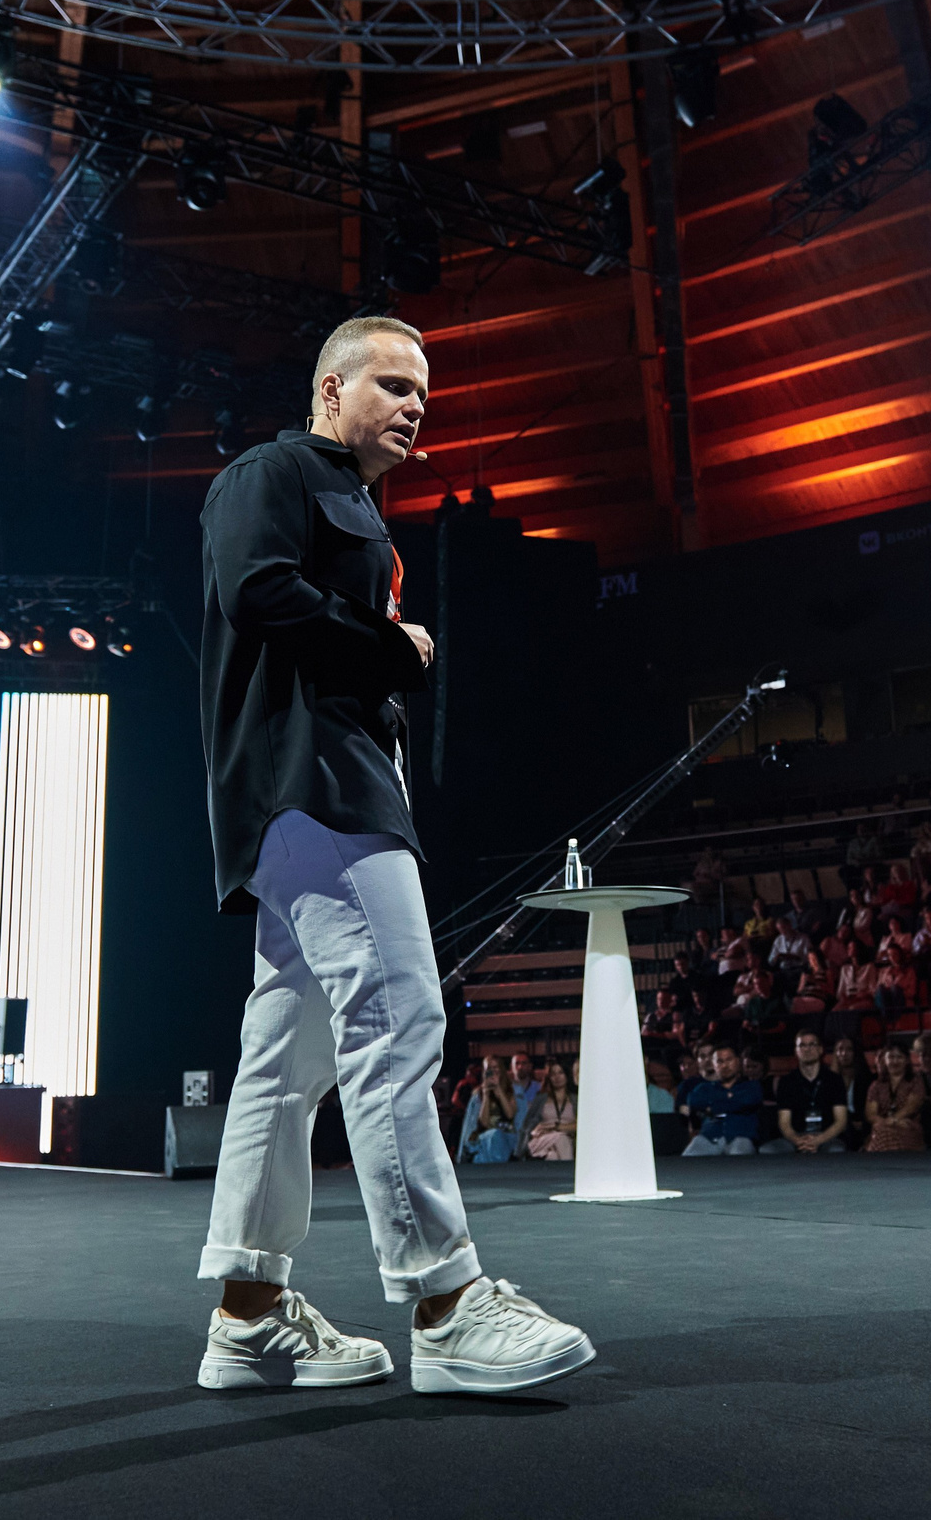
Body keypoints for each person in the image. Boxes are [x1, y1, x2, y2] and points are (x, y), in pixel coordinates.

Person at [195, 315, 589, 1395]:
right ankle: (447, 1298)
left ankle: (248, 1311)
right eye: (393, 383)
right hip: (314, 787)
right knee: (399, 1016)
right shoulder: (273, 471)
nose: (416, 405)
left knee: (285, 1064)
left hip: (313, 792)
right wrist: (394, 644)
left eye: (425, 392)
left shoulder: (353, 500)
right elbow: (259, 591)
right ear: (330, 388)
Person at [765, 1030, 849, 1154]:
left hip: (826, 1136)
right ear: (796, 1051)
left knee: (836, 1149)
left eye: (812, 1044)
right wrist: (797, 1140)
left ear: (820, 1049)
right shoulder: (786, 1081)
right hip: (797, 1136)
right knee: (768, 1150)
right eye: (802, 1045)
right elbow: (784, 1122)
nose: (807, 1049)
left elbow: (841, 1121)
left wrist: (818, 1140)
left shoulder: (834, 1080)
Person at [682, 1043, 765, 1156]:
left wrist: (712, 1107)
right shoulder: (704, 1088)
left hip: (741, 1137)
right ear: (714, 1065)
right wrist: (732, 1100)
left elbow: (749, 1101)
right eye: (720, 1061)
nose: (725, 1065)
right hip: (709, 1137)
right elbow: (694, 1102)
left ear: (737, 1061)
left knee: (740, 1156)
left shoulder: (751, 1086)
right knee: (688, 1159)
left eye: (729, 1060)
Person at [862, 1045, 927, 1151]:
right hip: (883, 1124)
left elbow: (911, 1107)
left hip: (907, 1125)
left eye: (899, 1057)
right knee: (881, 1130)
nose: (895, 1061)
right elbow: (871, 1114)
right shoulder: (876, 1085)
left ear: (906, 1060)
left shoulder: (915, 1082)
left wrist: (894, 1120)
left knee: (884, 1132)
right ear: (885, 1060)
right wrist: (887, 1122)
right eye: (891, 1057)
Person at [456, 1057, 518, 1165]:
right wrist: (486, 1095)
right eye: (489, 1068)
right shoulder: (478, 1094)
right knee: (490, 1139)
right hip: (485, 1137)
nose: (493, 1071)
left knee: (496, 1137)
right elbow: (483, 1123)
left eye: (495, 1067)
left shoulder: (511, 1090)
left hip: (506, 1135)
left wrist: (498, 1089)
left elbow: (510, 1114)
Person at [519, 1060, 577, 1162]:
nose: (557, 1077)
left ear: (567, 1075)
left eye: (560, 1073)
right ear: (549, 1077)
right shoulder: (541, 1099)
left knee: (552, 1156)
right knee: (561, 1139)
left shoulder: (575, 1099)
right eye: (553, 1074)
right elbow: (527, 1125)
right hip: (542, 1139)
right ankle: (569, 1176)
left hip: (566, 1138)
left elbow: (580, 1126)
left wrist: (555, 1127)